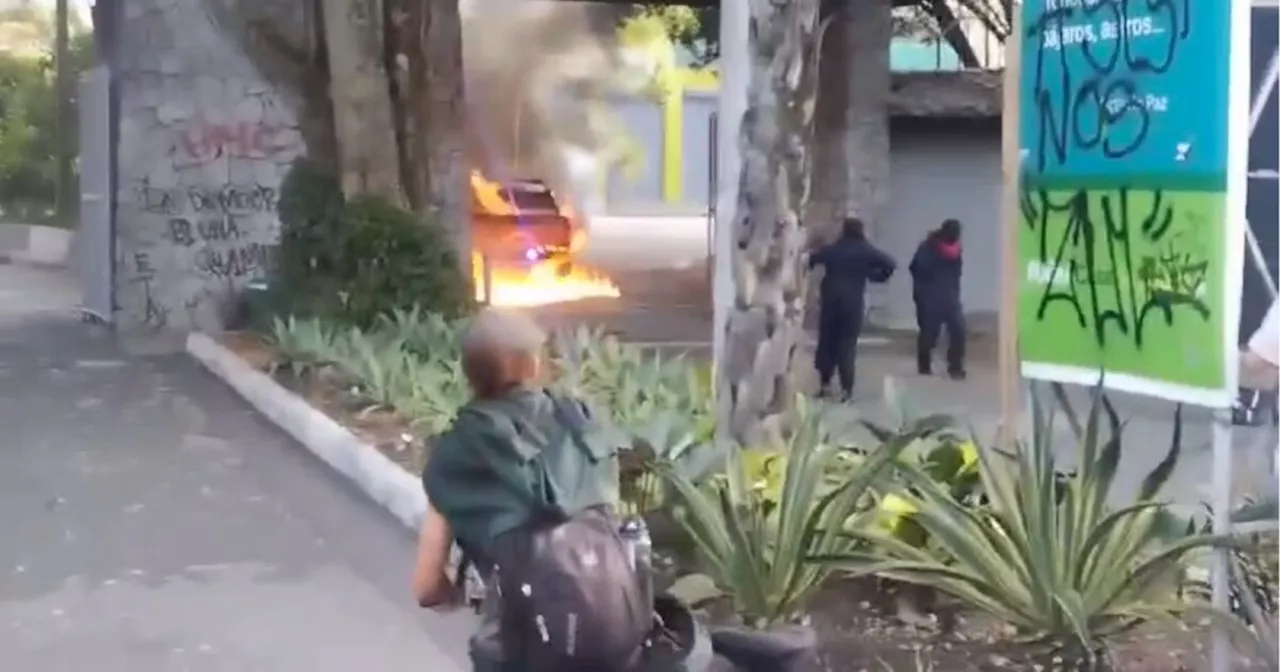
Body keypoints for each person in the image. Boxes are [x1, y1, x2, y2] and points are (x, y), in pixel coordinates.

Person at [410, 308, 649, 672]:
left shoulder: (455, 453)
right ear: (532, 366)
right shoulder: (578, 419)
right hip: (615, 631)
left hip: (523, 650)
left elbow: (426, 586)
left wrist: (456, 595)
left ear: (470, 375)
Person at [809, 217, 896, 401]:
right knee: (847, 346)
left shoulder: (834, 249)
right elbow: (890, 263)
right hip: (852, 304)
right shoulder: (865, 250)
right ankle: (846, 391)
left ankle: (825, 385)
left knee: (827, 343)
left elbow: (813, 259)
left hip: (831, 303)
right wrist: (875, 276)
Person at [910, 218, 967, 380]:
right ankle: (924, 364)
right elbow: (916, 269)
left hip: (950, 296)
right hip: (930, 296)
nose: (957, 236)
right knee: (929, 332)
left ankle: (955, 367)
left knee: (958, 331)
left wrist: (954, 292)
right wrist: (923, 294)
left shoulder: (956, 250)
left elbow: (957, 273)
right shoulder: (928, 247)